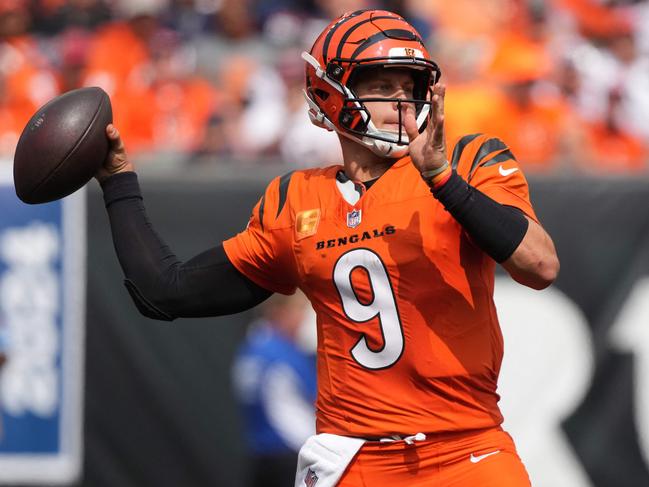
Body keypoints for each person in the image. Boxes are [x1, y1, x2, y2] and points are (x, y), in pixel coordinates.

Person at [95, 9, 559, 487]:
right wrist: (117, 181)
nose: (403, 99)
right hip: (353, 459)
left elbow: (539, 265)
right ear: (330, 94)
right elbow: (165, 291)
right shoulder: (295, 202)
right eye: (385, 83)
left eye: (410, 85)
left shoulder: (467, 161)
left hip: (468, 449)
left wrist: (442, 179)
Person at [232, 291, 317, 487]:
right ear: (280, 313)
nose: (302, 319)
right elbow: (318, 398)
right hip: (291, 454)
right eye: (299, 311)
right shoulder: (280, 353)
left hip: (262, 452)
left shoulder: (250, 348)